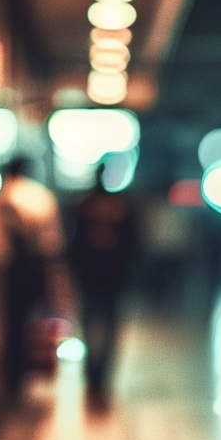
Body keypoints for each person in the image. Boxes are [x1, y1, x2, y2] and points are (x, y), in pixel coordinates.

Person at [0, 157, 69, 397]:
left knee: (13, 323)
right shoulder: (40, 197)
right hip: (36, 265)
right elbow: (52, 240)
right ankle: (32, 370)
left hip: (7, 269)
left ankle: (13, 376)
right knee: (38, 321)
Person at [70, 164, 138, 409]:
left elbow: (75, 243)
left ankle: (95, 377)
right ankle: (99, 378)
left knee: (93, 327)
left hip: (98, 276)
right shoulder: (119, 205)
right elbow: (133, 244)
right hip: (108, 276)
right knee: (104, 327)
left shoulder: (87, 205)